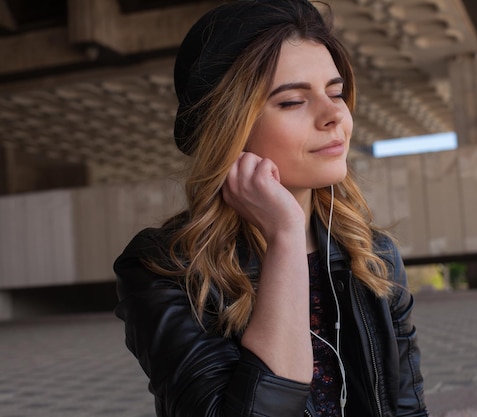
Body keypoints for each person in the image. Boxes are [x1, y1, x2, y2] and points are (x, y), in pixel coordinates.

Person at [113, 1, 428, 416]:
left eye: (336, 93)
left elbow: (406, 410)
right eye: (293, 102)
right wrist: (284, 236)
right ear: (231, 129)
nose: (334, 115)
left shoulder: (373, 256)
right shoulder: (166, 270)